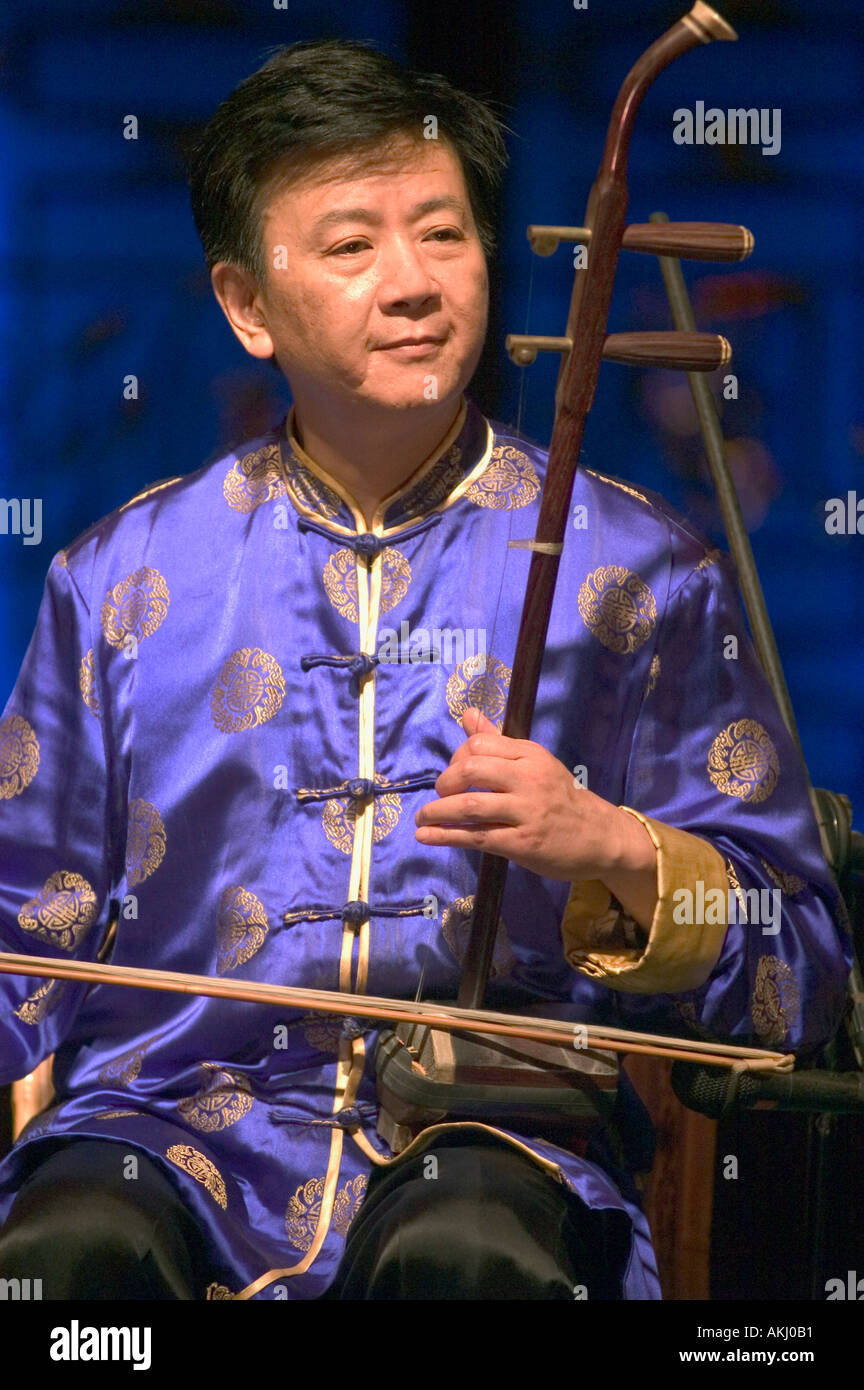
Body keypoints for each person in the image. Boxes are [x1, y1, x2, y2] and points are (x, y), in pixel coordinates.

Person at [0, 39, 851, 1301]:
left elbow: (803, 953)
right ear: (246, 303)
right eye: (350, 246)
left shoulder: (641, 575)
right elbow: (25, 938)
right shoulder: (122, 580)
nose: (413, 285)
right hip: (165, 1131)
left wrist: (612, 847)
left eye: (442, 235)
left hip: (494, 1135)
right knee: (66, 1258)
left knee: (465, 1258)